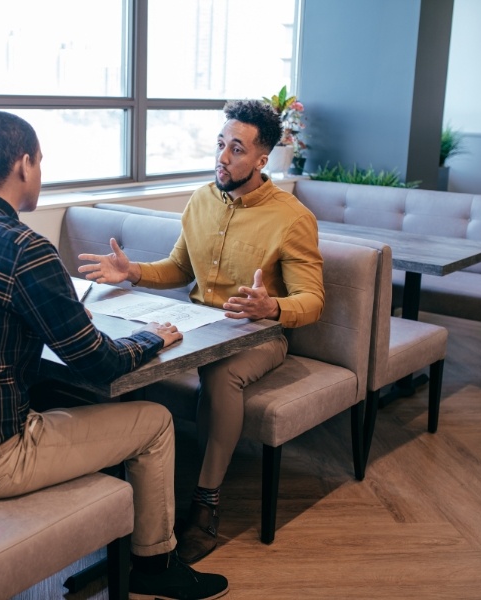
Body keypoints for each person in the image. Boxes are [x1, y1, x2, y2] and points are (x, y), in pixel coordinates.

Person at [0, 110, 229, 600]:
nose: (40, 174)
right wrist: (154, 337)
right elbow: (102, 363)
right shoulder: (25, 247)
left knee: (59, 392)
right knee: (156, 423)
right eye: (41, 162)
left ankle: (111, 532)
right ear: (24, 164)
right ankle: (154, 567)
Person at [78, 99, 325, 564]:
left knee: (221, 376)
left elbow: (312, 300)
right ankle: (125, 492)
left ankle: (206, 503)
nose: (223, 157)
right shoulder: (201, 199)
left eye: (236, 149)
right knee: (134, 350)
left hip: (257, 336)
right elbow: (177, 268)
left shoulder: (292, 217)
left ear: (260, 159)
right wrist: (132, 272)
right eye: (220, 144)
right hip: (201, 325)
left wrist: (271, 306)